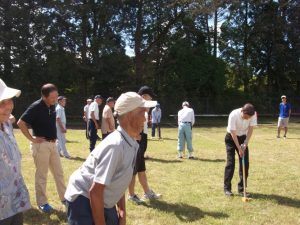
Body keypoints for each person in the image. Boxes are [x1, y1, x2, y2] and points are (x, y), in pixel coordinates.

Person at [64, 92, 157, 225]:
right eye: (142, 113)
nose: (146, 119)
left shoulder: (132, 144)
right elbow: (95, 192)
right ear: (130, 115)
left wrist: (122, 211)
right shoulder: (116, 146)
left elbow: (119, 180)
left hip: (102, 199)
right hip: (82, 197)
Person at [17, 83, 66, 213]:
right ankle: (42, 203)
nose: (55, 99)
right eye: (53, 97)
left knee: (59, 173)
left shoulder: (52, 105)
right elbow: (20, 123)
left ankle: (64, 198)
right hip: (41, 146)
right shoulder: (36, 106)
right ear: (44, 96)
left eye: (56, 96)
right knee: (42, 175)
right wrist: (32, 139)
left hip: (52, 145)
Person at [0, 79, 31, 224]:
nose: (9, 106)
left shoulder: (5, 124)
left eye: (10, 100)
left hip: (15, 198)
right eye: (2, 103)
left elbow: (11, 118)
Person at [128, 86, 161, 205]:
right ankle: (131, 195)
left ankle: (147, 192)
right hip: (137, 140)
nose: (151, 98)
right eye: (149, 95)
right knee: (133, 170)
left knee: (141, 168)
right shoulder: (136, 106)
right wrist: (137, 135)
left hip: (142, 139)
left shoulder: (142, 106)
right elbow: (131, 122)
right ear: (143, 96)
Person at [224, 103, 257, 197]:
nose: (247, 119)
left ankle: (242, 189)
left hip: (243, 138)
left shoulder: (253, 114)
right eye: (245, 117)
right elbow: (233, 133)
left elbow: (250, 129)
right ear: (242, 111)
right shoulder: (233, 115)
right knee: (231, 163)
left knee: (245, 164)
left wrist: (245, 143)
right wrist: (239, 148)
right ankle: (227, 189)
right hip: (231, 138)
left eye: (248, 118)